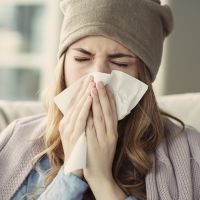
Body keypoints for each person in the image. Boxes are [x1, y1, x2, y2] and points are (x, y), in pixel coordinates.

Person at [0, 0, 200, 200]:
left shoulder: (189, 150)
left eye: (120, 62)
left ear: (144, 76)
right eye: (82, 58)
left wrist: (102, 180)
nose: (97, 76)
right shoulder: (16, 140)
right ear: (63, 65)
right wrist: (70, 176)